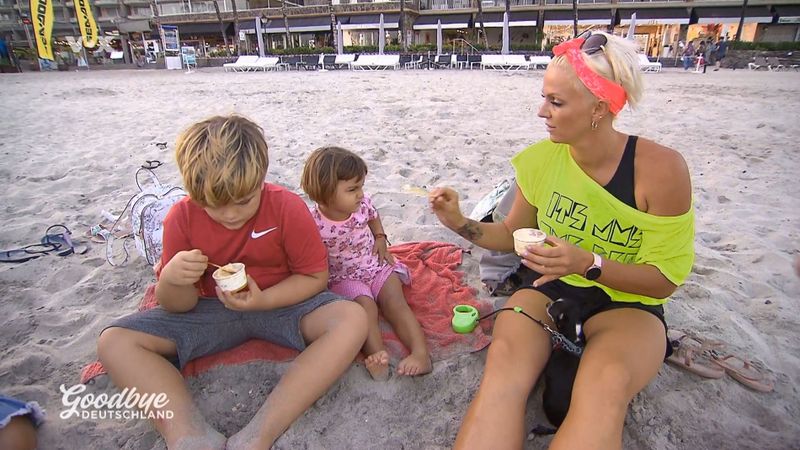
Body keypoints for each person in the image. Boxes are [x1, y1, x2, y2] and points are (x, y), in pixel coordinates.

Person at [430, 31, 694, 449]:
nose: (541, 112)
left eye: (556, 102)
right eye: (544, 98)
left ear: (599, 108)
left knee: (604, 387)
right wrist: (459, 222)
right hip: (547, 289)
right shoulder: (540, 161)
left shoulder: (659, 170)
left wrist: (589, 263)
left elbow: (665, 279)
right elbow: (509, 237)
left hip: (628, 304)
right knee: (502, 370)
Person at [97, 115, 368, 449]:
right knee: (114, 342)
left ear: (261, 180)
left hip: (282, 302)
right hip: (211, 309)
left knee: (353, 318)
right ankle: (188, 435)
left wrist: (263, 301)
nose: (229, 215)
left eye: (243, 202)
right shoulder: (180, 217)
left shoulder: (286, 207)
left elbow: (314, 277)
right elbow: (178, 305)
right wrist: (172, 279)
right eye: (214, 206)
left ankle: (260, 433)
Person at [300, 146, 432, 379]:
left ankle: (421, 353)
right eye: (352, 189)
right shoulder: (313, 223)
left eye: (361, 186)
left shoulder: (361, 205)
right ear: (325, 192)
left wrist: (380, 237)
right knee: (366, 308)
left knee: (396, 302)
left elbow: (374, 216)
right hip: (345, 277)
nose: (360, 194)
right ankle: (378, 355)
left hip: (375, 264)